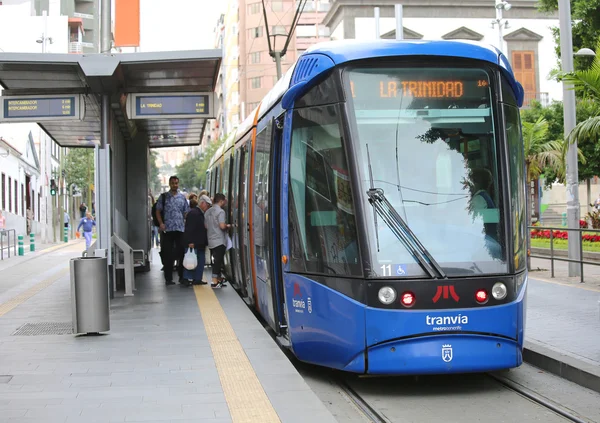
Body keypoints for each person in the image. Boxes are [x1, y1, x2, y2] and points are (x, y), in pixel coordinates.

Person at [156, 175, 189, 286]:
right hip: (168, 230)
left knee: (181, 254)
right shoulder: (164, 197)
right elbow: (158, 211)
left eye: (176, 183)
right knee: (168, 255)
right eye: (173, 183)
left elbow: (186, 212)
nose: (175, 185)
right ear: (170, 184)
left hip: (180, 229)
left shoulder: (182, 197)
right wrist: (161, 223)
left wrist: (186, 222)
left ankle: (181, 277)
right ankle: (168, 278)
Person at [182, 195, 212, 285]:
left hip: (199, 242)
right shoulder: (194, 213)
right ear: (202, 203)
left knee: (199, 260)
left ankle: (197, 278)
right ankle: (186, 278)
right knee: (191, 260)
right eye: (207, 205)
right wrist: (190, 241)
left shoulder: (198, 213)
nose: (208, 207)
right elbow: (189, 229)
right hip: (194, 242)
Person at [204, 193, 231, 289]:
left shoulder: (208, 211)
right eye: (224, 201)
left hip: (211, 239)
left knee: (215, 259)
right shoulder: (221, 212)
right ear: (221, 201)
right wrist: (228, 226)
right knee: (218, 261)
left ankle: (219, 279)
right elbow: (222, 226)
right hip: (219, 240)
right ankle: (214, 281)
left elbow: (206, 226)